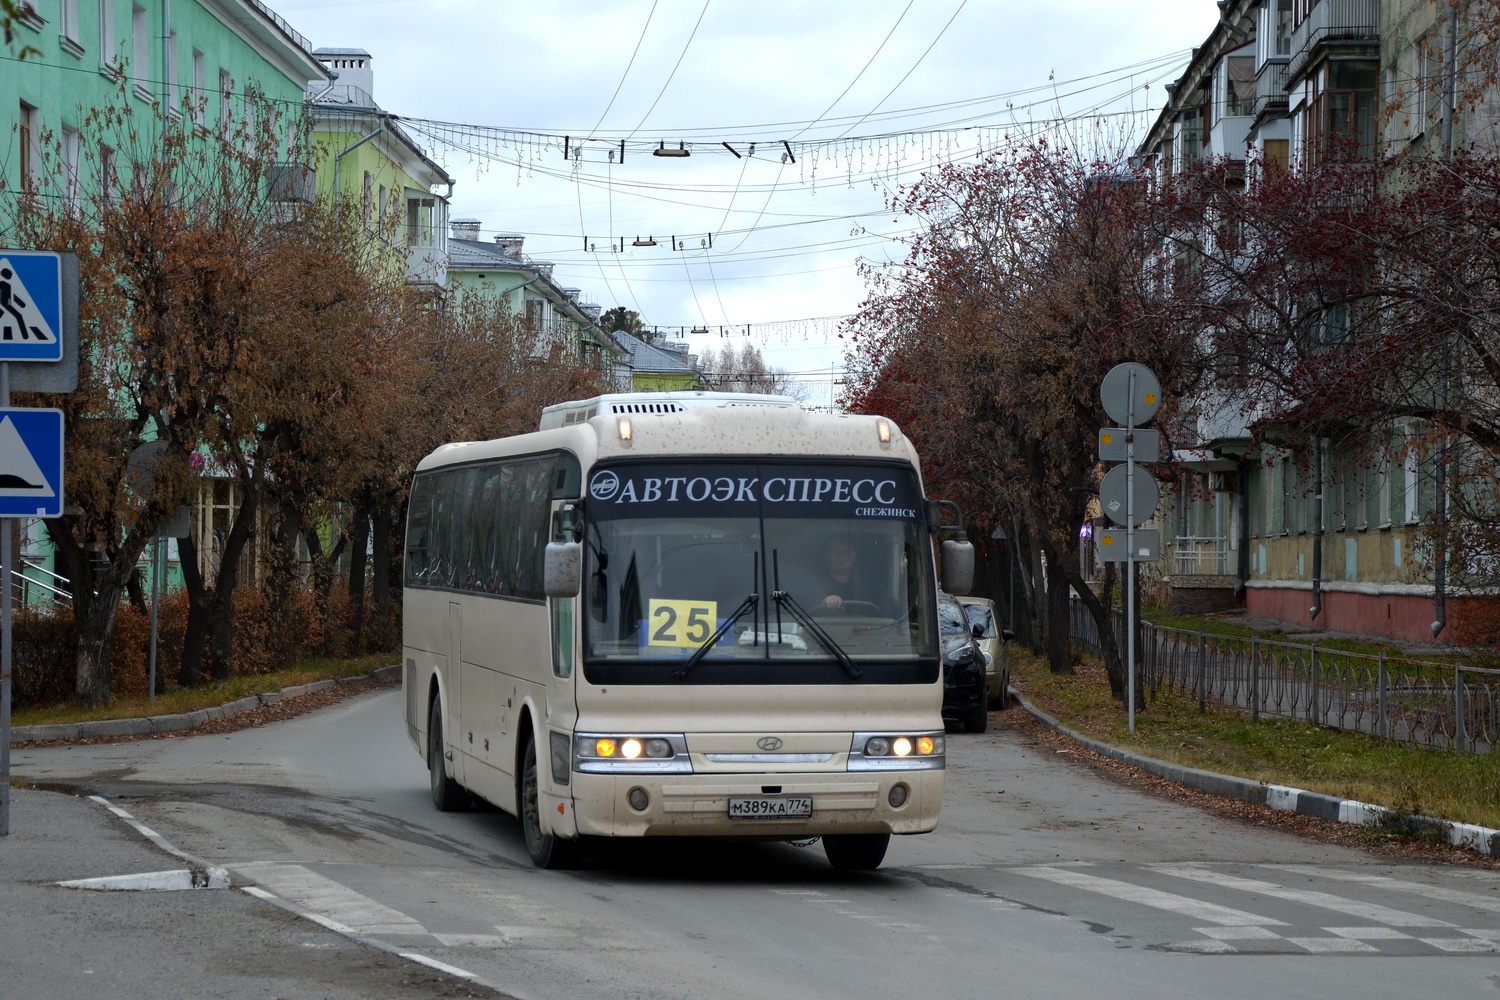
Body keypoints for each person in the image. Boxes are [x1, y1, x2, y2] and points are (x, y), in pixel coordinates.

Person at [811, 535, 874, 612]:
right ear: (827, 556)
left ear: (854, 556)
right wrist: (824, 604)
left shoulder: (869, 587)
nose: (841, 557)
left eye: (846, 551)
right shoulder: (815, 587)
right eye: (836, 551)